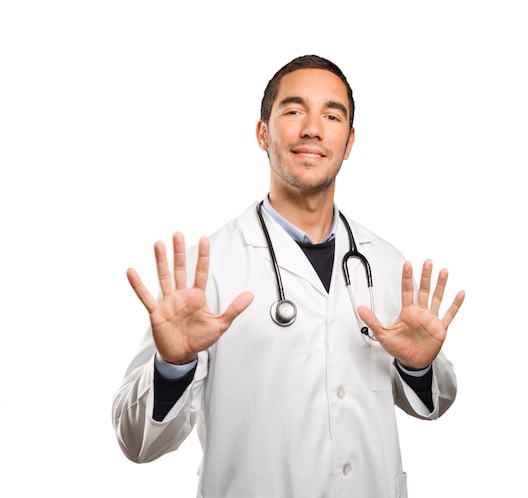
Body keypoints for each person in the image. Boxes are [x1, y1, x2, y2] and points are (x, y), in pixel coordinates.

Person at [112, 54, 465, 498]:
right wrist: (173, 367)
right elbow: (136, 441)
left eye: (331, 115)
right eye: (294, 111)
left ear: (349, 141)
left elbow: (437, 403)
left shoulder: (388, 265)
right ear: (262, 132)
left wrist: (418, 368)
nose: (313, 128)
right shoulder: (211, 270)